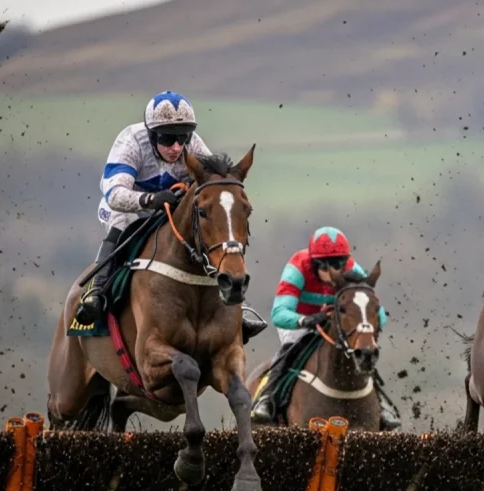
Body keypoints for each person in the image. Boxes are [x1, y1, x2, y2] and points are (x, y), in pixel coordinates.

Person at [74, 90, 266, 342]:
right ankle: (96, 292)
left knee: (202, 233)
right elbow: (115, 195)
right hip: (125, 207)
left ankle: (234, 304)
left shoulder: (193, 144)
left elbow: (212, 184)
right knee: (123, 223)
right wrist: (150, 200)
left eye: (182, 138)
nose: (176, 147)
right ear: (152, 134)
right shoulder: (130, 142)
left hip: (168, 207)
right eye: (167, 139)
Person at [250, 226, 401, 430]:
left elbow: (377, 314)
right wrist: (305, 320)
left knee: (359, 350)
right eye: (326, 265)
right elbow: (279, 313)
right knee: (292, 348)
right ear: (313, 263)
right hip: (298, 320)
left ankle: (381, 406)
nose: (333, 271)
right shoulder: (297, 267)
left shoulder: (352, 269)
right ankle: (267, 399)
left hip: (334, 321)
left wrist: (363, 330)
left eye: (338, 264)